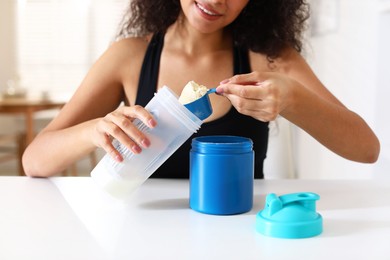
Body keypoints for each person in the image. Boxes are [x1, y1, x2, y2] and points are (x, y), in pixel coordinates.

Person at [22, 0, 380, 178]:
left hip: (239, 236)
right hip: (144, 236)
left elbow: (366, 149)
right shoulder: (128, 58)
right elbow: (33, 160)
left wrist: (292, 98)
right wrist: (94, 130)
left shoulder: (271, 60)